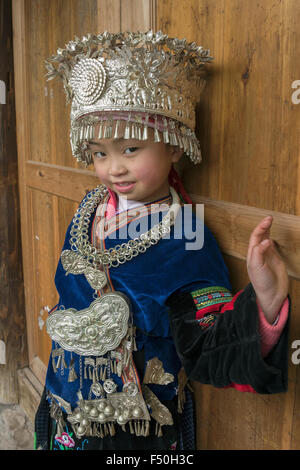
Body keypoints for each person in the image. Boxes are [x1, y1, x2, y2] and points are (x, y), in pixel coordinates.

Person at [34, 31, 290, 451]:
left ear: (173, 144)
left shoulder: (186, 236)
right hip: (66, 393)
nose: (114, 168)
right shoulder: (89, 209)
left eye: (130, 147)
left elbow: (207, 340)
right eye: (99, 153)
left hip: (136, 422)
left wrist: (265, 300)